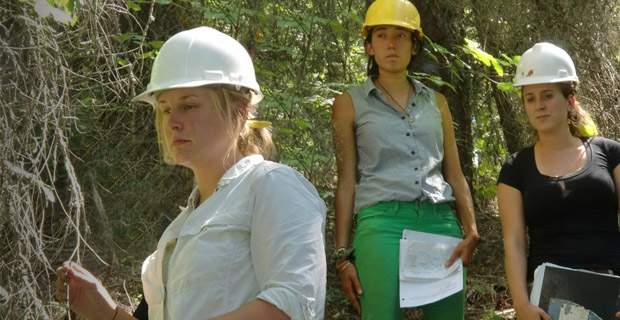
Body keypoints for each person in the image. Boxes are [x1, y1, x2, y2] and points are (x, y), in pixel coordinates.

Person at [54, 26, 327, 320]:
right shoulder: (180, 228)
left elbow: (293, 304)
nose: (173, 123)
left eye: (189, 105)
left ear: (241, 110)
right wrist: (105, 312)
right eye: (166, 109)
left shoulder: (273, 185)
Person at [330, 0, 479, 319]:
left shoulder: (436, 102)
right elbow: (346, 181)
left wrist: (471, 230)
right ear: (369, 46)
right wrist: (343, 255)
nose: (391, 43)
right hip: (381, 223)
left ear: (415, 45)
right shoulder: (349, 103)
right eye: (381, 35)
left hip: (440, 222)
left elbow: (454, 172)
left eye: (401, 35)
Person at [497, 42, 620, 320]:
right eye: (530, 98)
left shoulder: (609, 153)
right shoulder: (515, 168)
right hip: (547, 303)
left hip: (612, 295)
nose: (539, 105)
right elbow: (514, 243)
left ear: (570, 99)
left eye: (548, 95)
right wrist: (522, 304)